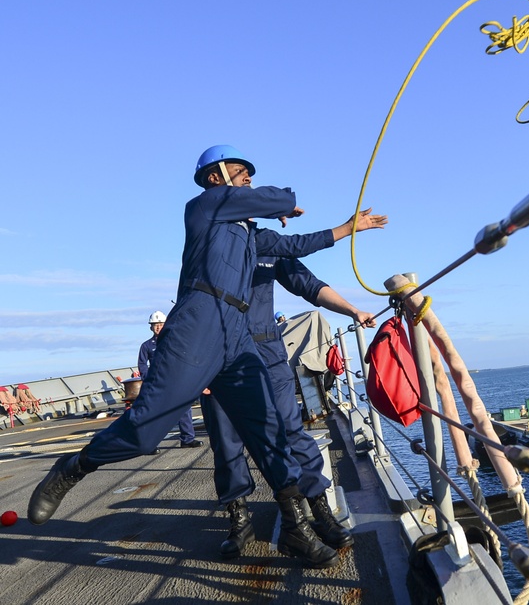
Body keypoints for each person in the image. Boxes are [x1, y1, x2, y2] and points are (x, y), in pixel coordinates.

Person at [28, 144, 377, 569]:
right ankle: (74, 467)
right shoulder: (205, 207)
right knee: (145, 431)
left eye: (250, 173)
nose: (247, 176)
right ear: (216, 177)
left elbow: (296, 244)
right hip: (199, 320)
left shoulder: (249, 233)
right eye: (240, 171)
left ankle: (295, 529)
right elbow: (279, 199)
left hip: (239, 333)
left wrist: (346, 228)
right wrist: (283, 203)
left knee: (270, 429)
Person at [203, 256, 383, 559]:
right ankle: (240, 520)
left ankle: (317, 509)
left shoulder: (270, 246)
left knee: (291, 431)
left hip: (267, 353)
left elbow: (309, 285)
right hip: (218, 358)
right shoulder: (209, 244)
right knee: (225, 440)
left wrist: (353, 310)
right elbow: (191, 307)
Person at [138, 311, 202, 448]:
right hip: (157, 384)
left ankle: (187, 439)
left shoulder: (174, 340)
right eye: (155, 325)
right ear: (151, 327)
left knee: (184, 409)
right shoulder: (146, 346)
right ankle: (149, 445)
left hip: (175, 380)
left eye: (160, 324)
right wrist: (148, 378)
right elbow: (142, 365)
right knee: (154, 414)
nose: (158, 327)